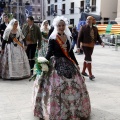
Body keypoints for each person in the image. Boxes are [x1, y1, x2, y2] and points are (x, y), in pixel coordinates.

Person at [33, 16, 91, 120]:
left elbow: (70, 52)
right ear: (56, 26)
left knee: (74, 84)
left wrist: (76, 63)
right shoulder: (53, 38)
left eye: (63, 25)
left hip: (68, 62)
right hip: (56, 63)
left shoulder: (68, 37)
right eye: (59, 25)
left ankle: (73, 109)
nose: (61, 27)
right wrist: (43, 62)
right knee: (57, 86)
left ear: (65, 26)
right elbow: (49, 52)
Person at [77, 16, 104, 80]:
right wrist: (78, 47)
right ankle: (90, 74)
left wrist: (101, 42)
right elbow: (79, 38)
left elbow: (98, 37)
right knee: (89, 59)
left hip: (91, 46)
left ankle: (83, 72)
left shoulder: (95, 28)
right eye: (87, 19)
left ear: (92, 20)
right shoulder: (83, 27)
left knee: (87, 59)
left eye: (89, 19)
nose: (88, 20)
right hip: (85, 45)